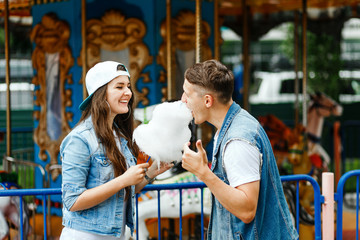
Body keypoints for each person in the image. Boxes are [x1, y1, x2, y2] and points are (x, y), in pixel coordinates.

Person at [181, 60, 298, 240]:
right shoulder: (233, 125)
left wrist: (204, 173)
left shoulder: (238, 140)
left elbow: (246, 210)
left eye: (187, 94)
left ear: (207, 100)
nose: (183, 100)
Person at [60, 61, 172, 239]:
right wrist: (122, 180)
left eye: (128, 86)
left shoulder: (118, 135)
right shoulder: (80, 139)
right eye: (119, 87)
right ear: (100, 93)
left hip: (115, 234)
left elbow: (124, 190)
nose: (127, 92)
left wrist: (151, 173)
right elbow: (72, 201)